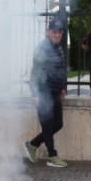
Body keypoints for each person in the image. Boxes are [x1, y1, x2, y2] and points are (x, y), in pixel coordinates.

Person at [24, 17, 69, 168]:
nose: (57, 35)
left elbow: (61, 69)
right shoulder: (42, 49)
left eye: (60, 32)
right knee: (48, 126)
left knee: (58, 124)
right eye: (55, 32)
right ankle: (52, 156)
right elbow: (34, 73)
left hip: (55, 92)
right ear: (48, 32)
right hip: (43, 93)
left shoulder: (59, 47)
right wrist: (34, 94)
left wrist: (63, 88)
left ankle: (33, 144)